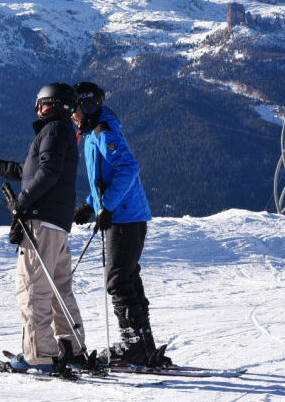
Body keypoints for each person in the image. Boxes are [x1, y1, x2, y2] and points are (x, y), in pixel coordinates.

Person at [0, 82, 89, 374]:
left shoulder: (55, 130)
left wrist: (21, 204)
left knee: (33, 289)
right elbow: (26, 171)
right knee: (59, 288)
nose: (37, 108)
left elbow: (46, 172)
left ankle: (40, 355)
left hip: (41, 222)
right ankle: (70, 347)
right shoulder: (60, 132)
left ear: (47, 104)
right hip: (56, 224)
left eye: (39, 103)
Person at [70, 80, 171, 367]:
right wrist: (90, 204)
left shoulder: (104, 131)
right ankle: (143, 343)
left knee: (117, 281)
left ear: (87, 106)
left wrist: (108, 207)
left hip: (125, 217)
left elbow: (129, 168)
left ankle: (134, 347)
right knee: (128, 278)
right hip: (125, 214)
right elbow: (107, 178)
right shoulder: (92, 131)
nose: (72, 116)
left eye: (74, 109)